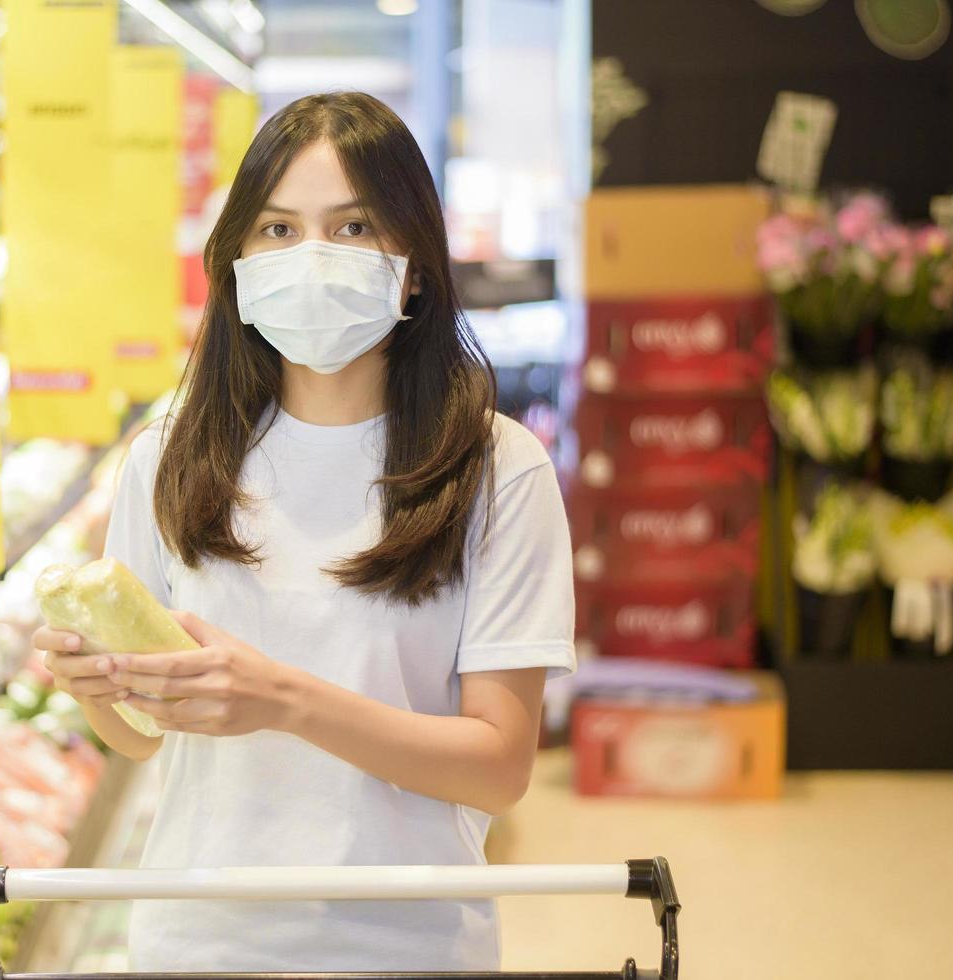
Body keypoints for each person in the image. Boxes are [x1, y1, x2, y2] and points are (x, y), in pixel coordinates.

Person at [32, 91, 576, 973]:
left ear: (415, 266)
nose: (312, 258)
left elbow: (498, 768)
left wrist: (283, 700)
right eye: (279, 230)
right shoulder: (170, 456)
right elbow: (141, 735)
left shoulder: (496, 469)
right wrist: (96, 685)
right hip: (198, 938)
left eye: (353, 228)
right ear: (239, 258)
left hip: (408, 945)